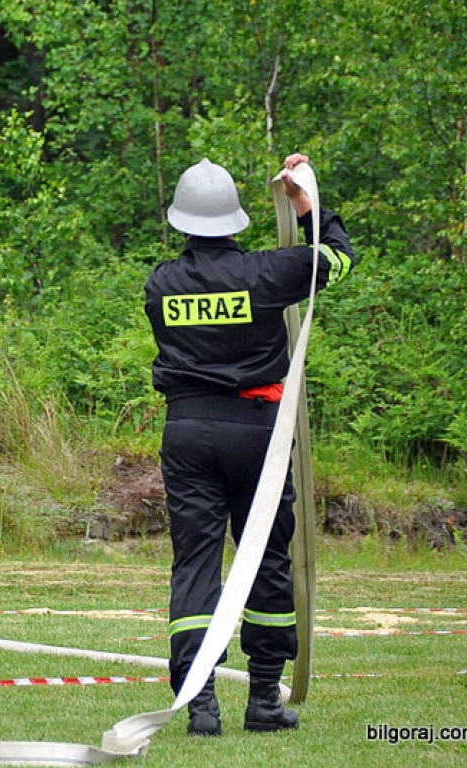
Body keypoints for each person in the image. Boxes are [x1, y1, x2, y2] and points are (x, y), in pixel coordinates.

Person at [143, 154, 355, 736]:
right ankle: (264, 698)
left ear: (182, 222)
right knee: (265, 556)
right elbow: (336, 259)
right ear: (235, 221)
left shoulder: (161, 283)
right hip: (257, 431)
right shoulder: (266, 274)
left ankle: (200, 703)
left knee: (195, 562)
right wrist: (306, 206)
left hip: (187, 430)